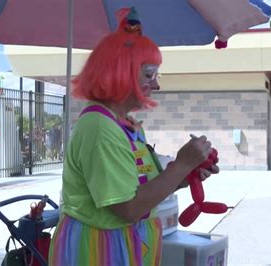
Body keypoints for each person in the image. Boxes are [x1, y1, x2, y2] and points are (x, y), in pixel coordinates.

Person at [48, 7, 219, 265]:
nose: (158, 85)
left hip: (121, 244)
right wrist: (182, 164)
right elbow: (128, 208)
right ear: (120, 72)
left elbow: (140, 190)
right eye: (149, 74)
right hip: (97, 251)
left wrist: (183, 176)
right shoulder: (99, 127)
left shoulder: (126, 124)